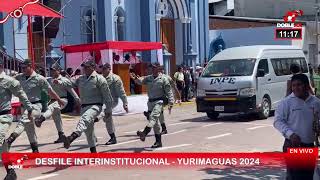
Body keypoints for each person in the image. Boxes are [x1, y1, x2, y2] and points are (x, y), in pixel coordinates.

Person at [5, 59, 64, 153]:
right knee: (29, 129)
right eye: (22, 68)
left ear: (30, 66)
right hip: (24, 106)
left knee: (24, 120)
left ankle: (10, 140)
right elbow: (8, 79)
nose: (23, 69)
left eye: (25, 67)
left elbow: (50, 90)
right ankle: (35, 151)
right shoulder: (20, 77)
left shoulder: (39, 78)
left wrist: (59, 99)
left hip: (35, 106)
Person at [274, 73, 320, 180]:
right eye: (293, 85)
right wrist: (291, 134)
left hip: (309, 145)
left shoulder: (316, 102)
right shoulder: (286, 102)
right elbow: (277, 121)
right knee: (295, 176)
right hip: (293, 145)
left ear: (306, 86)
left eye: (299, 85)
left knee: (308, 176)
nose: (296, 88)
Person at [62, 60, 113, 153]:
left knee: (84, 119)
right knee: (89, 132)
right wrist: (60, 81)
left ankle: (72, 137)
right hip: (84, 107)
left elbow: (107, 96)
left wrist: (108, 110)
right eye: (84, 67)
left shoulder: (100, 79)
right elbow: (70, 84)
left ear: (93, 67)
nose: (84, 69)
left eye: (87, 67)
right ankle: (94, 153)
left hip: (95, 106)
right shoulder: (81, 78)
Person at [0, 59, 33, 180]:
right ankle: (11, 172)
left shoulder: (9, 81)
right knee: (2, 147)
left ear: (1, 66)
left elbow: (21, 94)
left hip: (4, 116)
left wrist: (29, 109)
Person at [34, 64, 80, 144]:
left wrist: (78, 100)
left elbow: (71, 90)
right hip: (53, 100)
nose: (52, 72)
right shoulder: (49, 79)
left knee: (51, 108)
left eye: (54, 70)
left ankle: (41, 119)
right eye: (51, 70)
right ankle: (61, 135)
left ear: (58, 71)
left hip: (62, 100)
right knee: (57, 118)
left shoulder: (64, 79)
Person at [132, 62, 174, 148]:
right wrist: (136, 79)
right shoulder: (149, 78)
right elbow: (141, 82)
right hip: (150, 102)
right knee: (155, 123)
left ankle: (144, 133)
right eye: (152, 68)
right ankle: (158, 142)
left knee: (153, 117)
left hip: (159, 101)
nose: (153, 69)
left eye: (155, 68)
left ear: (158, 69)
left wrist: (171, 102)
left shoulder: (163, 79)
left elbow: (169, 91)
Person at [95, 62, 128, 145]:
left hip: (112, 100)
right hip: (102, 101)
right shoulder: (100, 78)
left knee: (105, 110)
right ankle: (113, 138)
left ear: (109, 69)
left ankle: (97, 118)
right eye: (102, 68)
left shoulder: (115, 78)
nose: (102, 70)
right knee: (108, 119)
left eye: (104, 69)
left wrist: (125, 103)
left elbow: (121, 92)